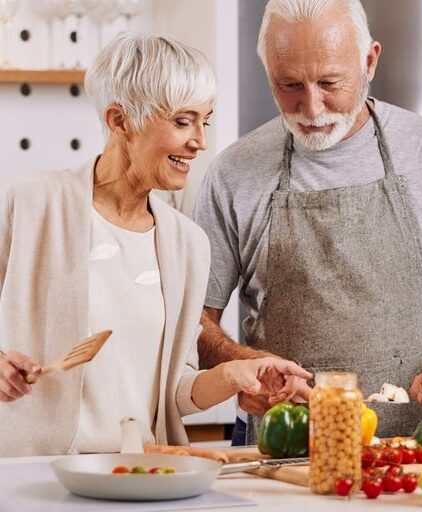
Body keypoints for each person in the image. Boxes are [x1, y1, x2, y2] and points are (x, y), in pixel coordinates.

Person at [193, 0, 422, 444]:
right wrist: (239, 367)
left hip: (418, 449)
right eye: (289, 84)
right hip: (288, 447)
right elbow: (193, 320)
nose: (311, 108)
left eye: (330, 82)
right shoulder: (233, 171)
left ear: (369, 60)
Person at [0, 33, 310, 458]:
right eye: (182, 122)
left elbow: (176, 392)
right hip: (32, 472)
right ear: (119, 121)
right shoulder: (26, 205)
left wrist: (236, 374)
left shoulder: (186, 244)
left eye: (205, 121)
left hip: (143, 475)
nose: (200, 141)